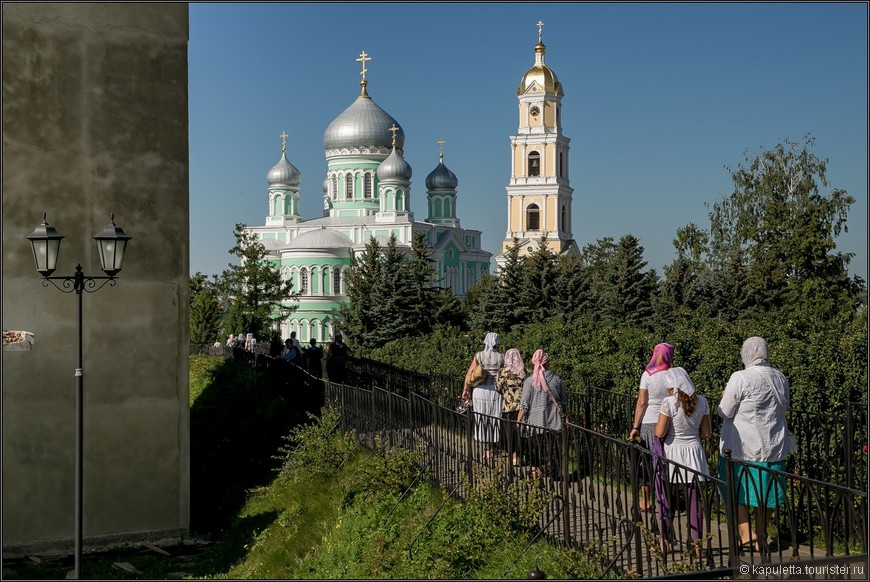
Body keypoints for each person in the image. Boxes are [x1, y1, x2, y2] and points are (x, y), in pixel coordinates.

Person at [717, 336, 790, 554]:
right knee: (764, 494)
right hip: (773, 446)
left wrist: (723, 399)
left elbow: (725, 411)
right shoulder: (779, 376)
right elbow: (784, 405)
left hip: (743, 447)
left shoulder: (740, 377)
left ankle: (746, 532)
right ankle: (761, 534)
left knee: (736, 488)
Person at [654, 366, 711, 555]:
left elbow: (660, 432)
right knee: (695, 502)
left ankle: (665, 540)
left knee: (667, 500)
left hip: (673, 454)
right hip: (694, 453)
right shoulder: (702, 401)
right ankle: (697, 544)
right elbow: (707, 432)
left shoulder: (669, 403)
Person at [629, 342, 674, 512]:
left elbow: (642, 403)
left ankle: (646, 501)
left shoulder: (647, 375)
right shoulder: (672, 374)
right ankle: (666, 500)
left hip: (649, 423)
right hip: (668, 421)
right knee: (665, 461)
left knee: (647, 463)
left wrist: (635, 426)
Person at [516, 349, 568, 479]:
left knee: (537, 449)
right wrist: (565, 415)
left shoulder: (530, 382)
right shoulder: (556, 380)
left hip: (535, 422)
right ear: (547, 363)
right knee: (553, 449)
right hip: (554, 421)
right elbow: (564, 401)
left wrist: (518, 421)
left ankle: (539, 471)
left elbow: (524, 405)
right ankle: (554, 473)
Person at [460, 332, 504, 460]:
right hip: (495, 392)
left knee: (482, 419)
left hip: (480, 390)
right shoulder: (501, 357)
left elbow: (469, 374)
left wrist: (466, 389)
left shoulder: (479, 355)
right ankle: (494, 448)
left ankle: (487, 449)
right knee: (494, 418)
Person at [496, 348, 527, 467]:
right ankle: (518, 456)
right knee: (520, 433)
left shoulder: (503, 372)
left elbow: (498, 388)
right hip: (521, 407)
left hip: (508, 406)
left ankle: (512, 456)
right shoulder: (524, 371)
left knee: (509, 434)